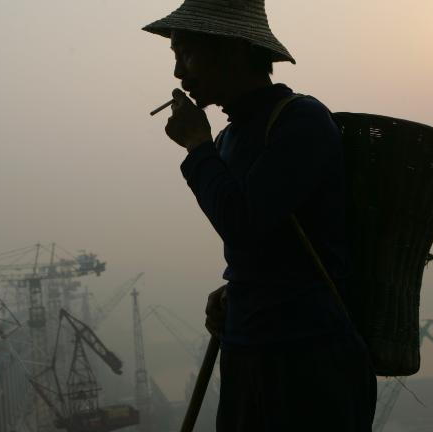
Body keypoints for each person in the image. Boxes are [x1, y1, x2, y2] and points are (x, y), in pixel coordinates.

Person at [142, 1, 377, 430]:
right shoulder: (230, 137)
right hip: (246, 349)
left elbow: (243, 223)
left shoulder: (300, 121)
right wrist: (237, 290)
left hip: (305, 358)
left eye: (186, 54)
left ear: (232, 51)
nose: (179, 73)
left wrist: (197, 146)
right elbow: (265, 248)